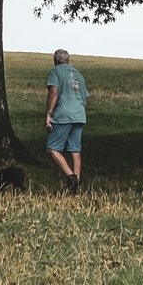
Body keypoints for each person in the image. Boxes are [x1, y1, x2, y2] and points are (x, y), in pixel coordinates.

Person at [44, 48, 89, 194]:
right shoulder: (79, 75)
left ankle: (71, 178)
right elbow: (84, 97)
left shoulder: (56, 72)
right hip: (79, 115)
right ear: (68, 60)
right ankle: (76, 185)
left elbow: (54, 92)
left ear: (55, 60)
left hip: (64, 114)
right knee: (75, 150)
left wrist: (49, 113)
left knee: (52, 148)